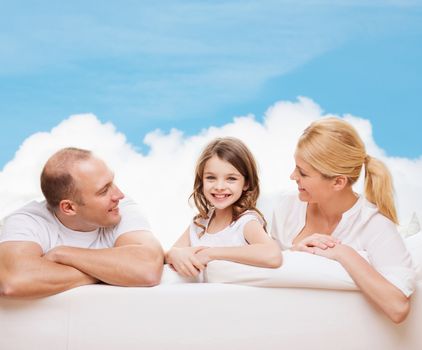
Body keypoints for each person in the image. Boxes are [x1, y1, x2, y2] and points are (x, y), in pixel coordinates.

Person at [271, 117, 415, 323]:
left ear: (338, 182)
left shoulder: (374, 225)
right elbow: (271, 266)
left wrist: (343, 253)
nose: (293, 176)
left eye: (303, 172)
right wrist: (295, 254)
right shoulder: (287, 206)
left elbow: (398, 307)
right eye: (296, 167)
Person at [0, 147, 164, 298]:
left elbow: (147, 268)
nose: (119, 195)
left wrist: (63, 253)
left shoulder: (120, 208)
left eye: (112, 182)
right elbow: (13, 281)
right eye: (104, 190)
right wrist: (115, 273)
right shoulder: (28, 221)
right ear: (69, 207)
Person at [166, 137, 282, 278]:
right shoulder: (200, 223)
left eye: (231, 179)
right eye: (211, 178)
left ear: (246, 183)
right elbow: (171, 255)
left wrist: (210, 253)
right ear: (201, 181)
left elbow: (273, 255)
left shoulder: (245, 222)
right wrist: (173, 254)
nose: (219, 187)